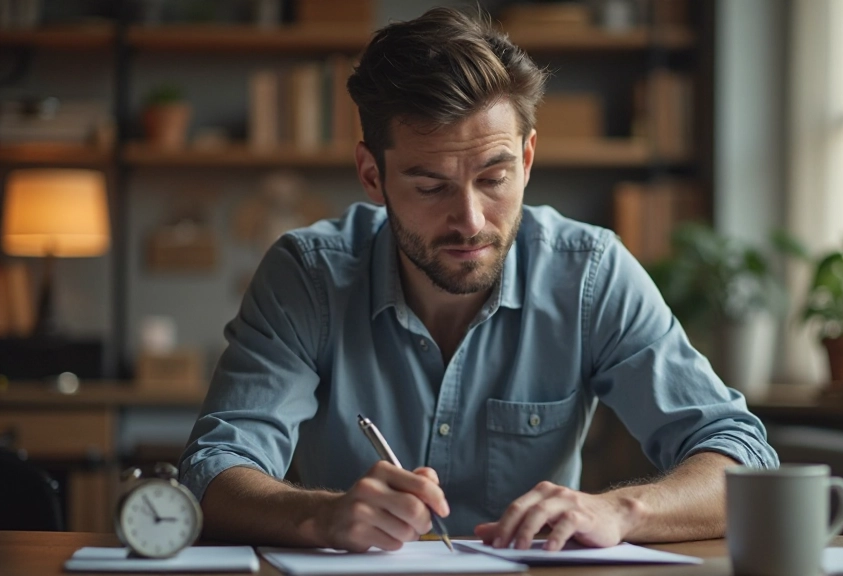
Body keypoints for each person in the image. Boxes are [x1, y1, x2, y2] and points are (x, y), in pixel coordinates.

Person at [178, 6, 778, 553]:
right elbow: (213, 469)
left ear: (529, 159)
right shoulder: (307, 276)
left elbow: (741, 458)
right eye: (430, 185)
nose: (469, 220)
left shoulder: (589, 272)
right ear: (371, 175)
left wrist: (621, 511)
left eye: (494, 178)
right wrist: (322, 517)